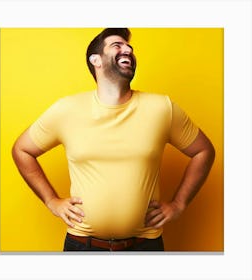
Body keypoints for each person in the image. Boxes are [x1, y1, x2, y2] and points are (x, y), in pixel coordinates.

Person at [12, 28, 215, 251]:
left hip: (144, 248)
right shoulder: (66, 110)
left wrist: (178, 204)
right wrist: (52, 201)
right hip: (83, 247)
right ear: (95, 60)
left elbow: (203, 151)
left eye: (130, 48)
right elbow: (22, 150)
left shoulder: (162, 108)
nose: (127, 49)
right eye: (117, 45)